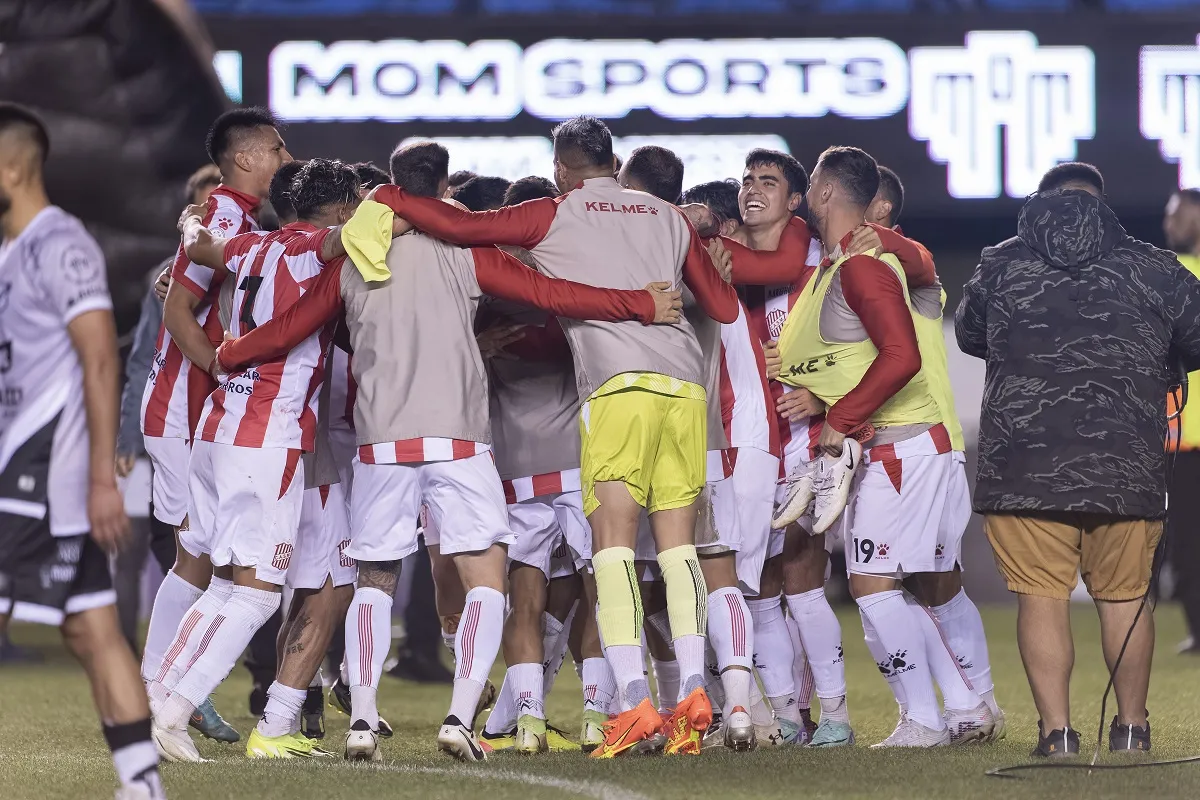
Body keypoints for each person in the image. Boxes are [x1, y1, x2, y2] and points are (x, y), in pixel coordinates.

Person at [213, 140, 685, 762]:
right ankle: (461, 718)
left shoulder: (356, 257)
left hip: (381, 443)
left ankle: (360, 718)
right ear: (444, 193)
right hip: (458, 441)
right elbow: (557, 296)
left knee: (374, 580)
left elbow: (290, 326)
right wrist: (639, 305)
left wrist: (229, 354)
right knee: (488, 576)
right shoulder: (467, 254)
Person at [370, 117, 741, 757]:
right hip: (685, 386)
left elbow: (461, 228)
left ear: (561, 166)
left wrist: (387, 199)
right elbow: (726, 307)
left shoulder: (555, 211)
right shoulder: (666, 215)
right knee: (679, 547)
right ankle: (696, 697)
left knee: (613, 550)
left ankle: (632, 704)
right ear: (612, 159)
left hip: (618, 388)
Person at [956, 162, 1200, 756]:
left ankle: (1058, 735)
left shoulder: (1000, 263)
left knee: (1042, 596)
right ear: (1100, 200)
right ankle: (1133, 731)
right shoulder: (1152, 265)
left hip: (1023, 467)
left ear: (1043, 199)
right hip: (1127, 465)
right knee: (1124, 598)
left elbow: (968, 334)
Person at [777, 146, 992, 748]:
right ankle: (971, 705)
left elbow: (902, 356)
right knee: (930, 584)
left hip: (905, 446)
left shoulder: (868, 265)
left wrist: (837, 419)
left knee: (878, 584)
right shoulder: (835, 267)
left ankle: (925, 717)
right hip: (904, 444)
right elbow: (857, 359)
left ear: (823, 193)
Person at [150, 157, 357, 763]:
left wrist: (189, 223)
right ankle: (177, 707)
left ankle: (163, 697)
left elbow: (200, 245)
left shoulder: (252, 247)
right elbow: (345, 240)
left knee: (220, 583)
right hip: (267, 433)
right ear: (343, 209)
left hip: (218, 424)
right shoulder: (324, 251)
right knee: (260, 592)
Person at [0, 102, 164, 800]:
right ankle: (142, 784)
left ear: (12, 166)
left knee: (93, 630)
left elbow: (100, 359)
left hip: (40, 477)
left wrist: (102, 481)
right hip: (26, 473)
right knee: (93, 628)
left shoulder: (59, 242)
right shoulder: (11, 251)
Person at [138, 108, 290, 744]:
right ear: (247, 158)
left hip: (195, 407)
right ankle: (156, 688)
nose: (286, 159)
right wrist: (222, 371)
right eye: (278, 149)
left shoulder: (233, 218)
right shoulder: (226, 218)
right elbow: (177, 307)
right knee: (195, 557)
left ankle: (163, 689)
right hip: (183, 406)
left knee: (200, 554)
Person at [1164, 189, 1200, 653]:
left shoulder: (1174, 272)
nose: (1168, 220)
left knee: (1187, 540)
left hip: (1186, 433)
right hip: (1184, 433)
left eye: (1176, 212)